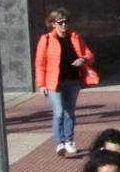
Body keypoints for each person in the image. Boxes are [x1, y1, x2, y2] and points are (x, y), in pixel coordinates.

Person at [34, 8, 97, 158]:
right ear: (52, 24)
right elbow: (40, 63)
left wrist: (83, 59)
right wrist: (41, 84)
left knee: (69, 113)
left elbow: (89, 55)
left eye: (66, 22)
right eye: (60, 23)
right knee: (59, 112)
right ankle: (59, 143)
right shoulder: (46, 39)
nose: (64, 25)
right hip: (54, 83)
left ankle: (69, 140)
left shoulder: (75, 37)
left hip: (72, 81)